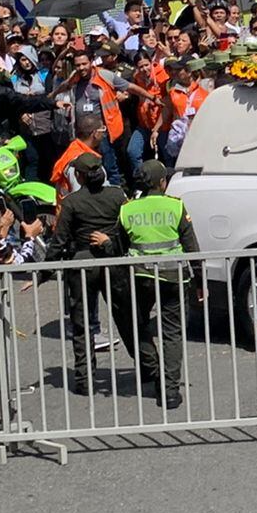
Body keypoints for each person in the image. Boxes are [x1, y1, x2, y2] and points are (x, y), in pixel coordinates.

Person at [111, 160, 197, 409]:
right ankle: (170, 392)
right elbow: (192, 247)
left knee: (136, 326)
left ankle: (155, 370)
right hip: (174, 278)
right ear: (162, 183)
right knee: (172, 333)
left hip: (140, 278)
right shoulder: (175, 206)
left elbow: (118, 246)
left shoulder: (128, 210)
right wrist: (201, 282)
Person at [46, 152, 127, 395]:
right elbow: (125, 230)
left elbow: (58, 241)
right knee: (128, 317)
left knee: (81, 324)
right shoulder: (118, 195)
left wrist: (41, 273)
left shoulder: (71, 202)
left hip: (82, 264)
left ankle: (84, 379)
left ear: (79, 177)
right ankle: (148, 367)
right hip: (112, 262)